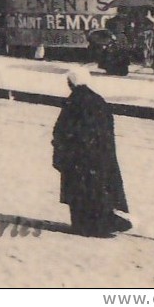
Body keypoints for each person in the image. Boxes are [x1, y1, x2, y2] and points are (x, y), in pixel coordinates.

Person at [51, 67, 132, 237]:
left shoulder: (73, 101)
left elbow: (62, 129)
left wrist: (60, 149)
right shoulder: (99, 101)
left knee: (78, 192)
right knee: (97, 191)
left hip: (78, 158)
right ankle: (101, 223)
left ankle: (82, 226)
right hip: (101, 156)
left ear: (71, 83)